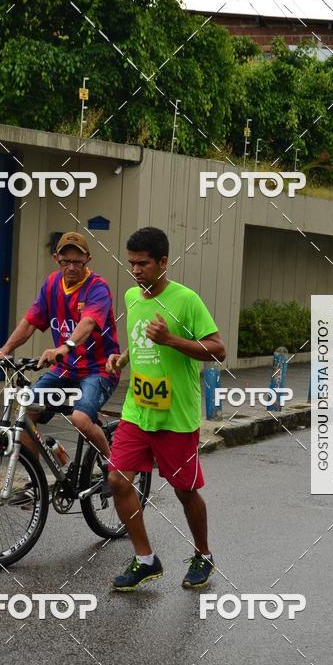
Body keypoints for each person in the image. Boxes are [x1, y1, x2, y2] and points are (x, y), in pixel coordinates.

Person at [105, 226, 226, 591]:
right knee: (117, 480)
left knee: (184, 491)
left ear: (162, 262)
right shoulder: (131, 296)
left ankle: (203, 555)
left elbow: (218, 350)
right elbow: (141, 336)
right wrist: (122, 358)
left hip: (176, 416)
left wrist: (172, 339)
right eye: (131, 264)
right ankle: (146, 560)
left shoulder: (186, 300)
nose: (136, 271)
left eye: (143, 264)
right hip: (138, 410)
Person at [0, 231, 120, 461]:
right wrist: (5, 350)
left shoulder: (98, 288)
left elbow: (88, 323)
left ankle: (114, 470)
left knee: (80, 419)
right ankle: (36, 484)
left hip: (98, 370)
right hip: (65, 370)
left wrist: (64, 348)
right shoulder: (51, 285)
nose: (71, 267)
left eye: (77, 262)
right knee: (26, 413)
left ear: (88, 259)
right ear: (56, 258)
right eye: (65, 261)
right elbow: (30, 321)